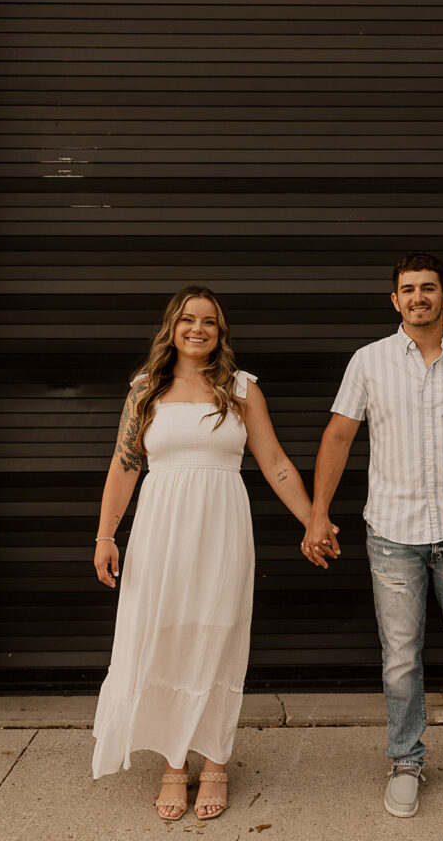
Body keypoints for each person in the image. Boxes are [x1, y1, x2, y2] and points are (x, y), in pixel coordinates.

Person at [92, 285, 336, 821]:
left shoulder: (241, 389)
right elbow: (125, 465)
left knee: (216, 634)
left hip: (222, 527)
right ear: (172, 329)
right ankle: (175, 764)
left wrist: (312, 520)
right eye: (187, 320)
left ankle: (217, 760)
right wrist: (106, 535)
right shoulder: (144, 389)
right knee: (168, 634)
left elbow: (272, 460)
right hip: (160, 530)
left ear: (219, 332)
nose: (197, 329)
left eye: (208, 321)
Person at [302, 253, 443, 824]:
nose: (418, 297)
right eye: (408, 289)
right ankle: (405, 761)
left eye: (429, 288)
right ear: (394, 299)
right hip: (393, 536)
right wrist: (317, 514)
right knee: (400, 660)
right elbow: (338, 436)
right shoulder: (369, 361)